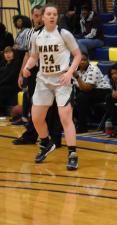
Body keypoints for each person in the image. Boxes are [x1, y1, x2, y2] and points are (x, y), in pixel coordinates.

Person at [22, 4, 82, 170]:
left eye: (54, 14)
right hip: (43, 80)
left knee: (65, 117)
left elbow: (78, 55)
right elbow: (34, 56)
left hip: (61, 80)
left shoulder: (64, 34)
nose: (51, 16)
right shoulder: (36, 36)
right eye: (48, 14)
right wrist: (27, 67)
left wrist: (70, 72)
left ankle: (72, 154)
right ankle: (46, 143)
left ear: (57, 17)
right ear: (42, 17)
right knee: (36, 118)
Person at [13, 5, 63, 147]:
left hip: (48, 72)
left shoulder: (50, 32)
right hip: (34, 72)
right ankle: (32, 135)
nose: (38, 18)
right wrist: (22, 73)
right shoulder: (31, 34)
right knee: (35, 106)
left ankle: (54, 138)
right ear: (32, 17)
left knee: (50, 107)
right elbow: (28, 54)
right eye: (35, 16)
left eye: (41, 15)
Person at [73, 53, 111, 133]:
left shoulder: (93, 69)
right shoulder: (75, 70)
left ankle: (82, 127)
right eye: (80, 60)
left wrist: (77, 77)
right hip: (88, 92)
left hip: (103, 91)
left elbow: (87, 88)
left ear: (88, 60)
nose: (82, 62)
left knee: (81, 97)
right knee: (70, 98)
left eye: (84, 60)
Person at [0, 47, 23, 116]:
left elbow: (10, 77)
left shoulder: (16, 64)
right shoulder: (3, 64)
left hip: (13, 87)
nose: (8, 55)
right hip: (5, 86)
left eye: (10, 52)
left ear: (14, 53)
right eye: (6, 53)